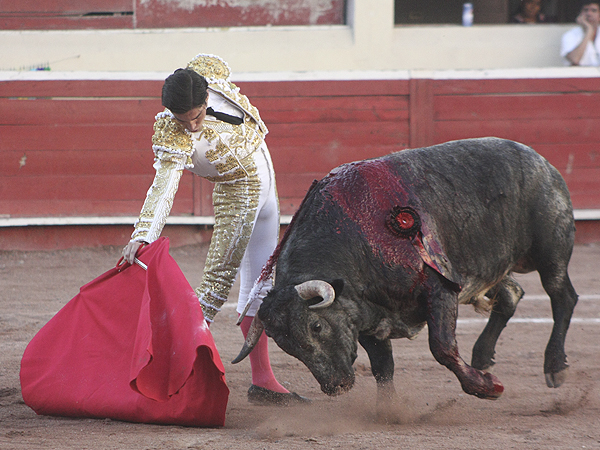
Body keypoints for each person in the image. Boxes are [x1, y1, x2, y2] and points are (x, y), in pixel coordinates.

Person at [122, 53, 308, 406]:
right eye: (182, 120)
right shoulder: (172, 133)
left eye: (195, 117)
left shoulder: (209, 75)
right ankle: (169, 381)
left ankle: (263, 382)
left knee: (262, 286)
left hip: (268, 192)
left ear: (206, 98)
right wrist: (143, 233)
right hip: (238, 196)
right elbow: (165, 182)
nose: (190, 127)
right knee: (214, 288)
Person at [561, 1, 600, 66]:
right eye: (586, 10)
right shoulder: (570, 35)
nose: (589, 14)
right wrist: (589, 31)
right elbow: (575, 59)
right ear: (580, 14)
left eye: (594, 11)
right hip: (579, 74)